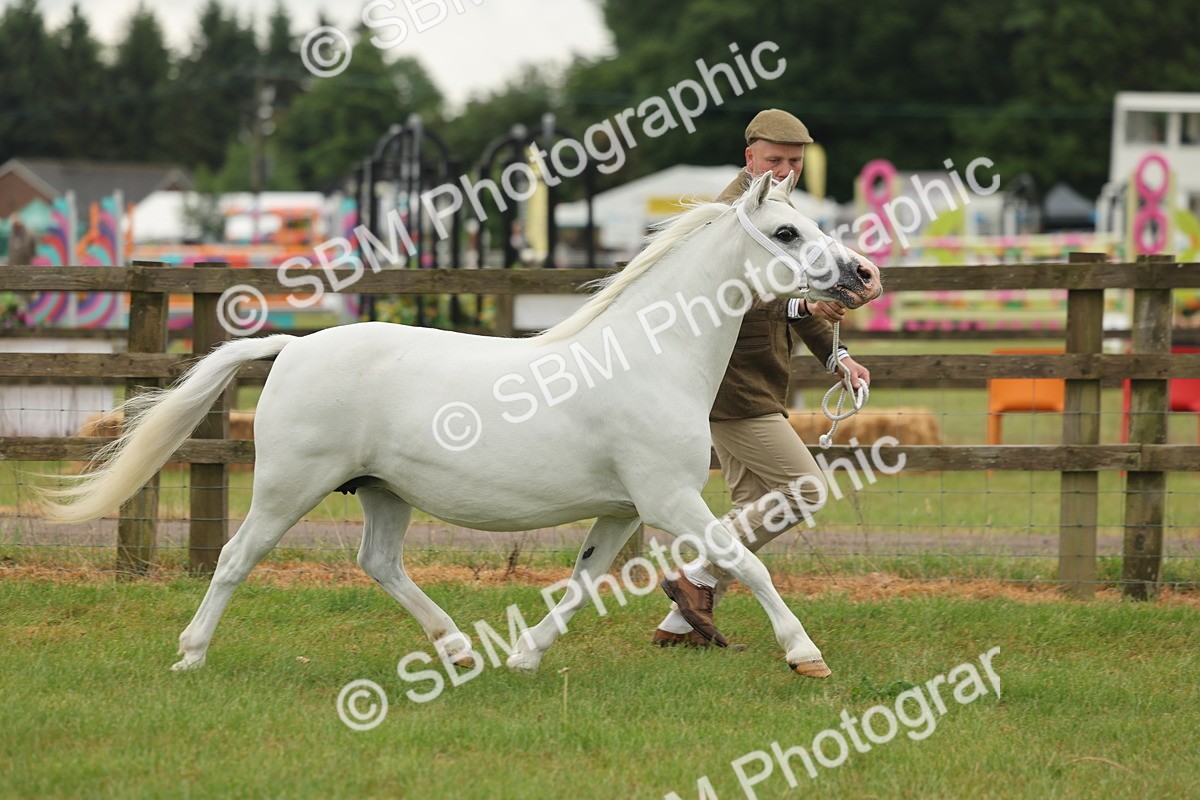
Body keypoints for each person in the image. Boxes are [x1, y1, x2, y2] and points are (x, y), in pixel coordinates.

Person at [654, 109, 871, 648]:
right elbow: (731, 300)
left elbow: (807, 298)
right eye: (774, 160)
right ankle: (696, 579)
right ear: (748, 156)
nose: (784, 171)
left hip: (763, 381)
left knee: (752, 508)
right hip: (730, 385)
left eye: (794, 162)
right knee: (805, 490)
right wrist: (802, 306)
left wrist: (835, 357)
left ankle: (679, 628)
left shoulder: (779, 211)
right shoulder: (726, 217)